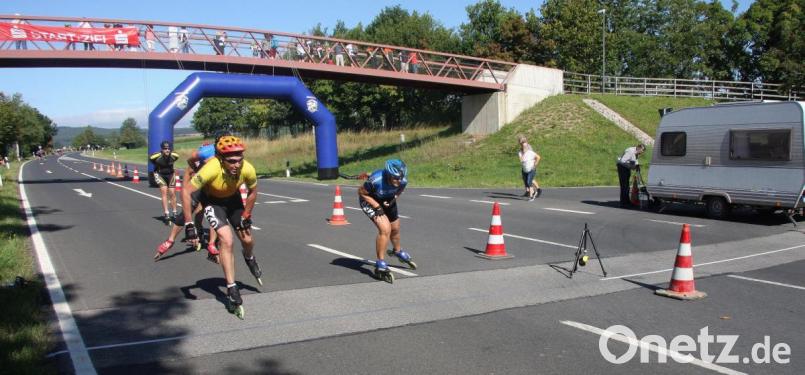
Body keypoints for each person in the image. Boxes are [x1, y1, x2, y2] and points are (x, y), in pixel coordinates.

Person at [182, 135, 260, 318]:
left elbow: (253, 191)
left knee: (247, 239)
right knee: (227, 239)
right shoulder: (210, 169)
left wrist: (247, 215)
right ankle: (231, 286)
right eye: (231, 161)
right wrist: (189, 224)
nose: (236, 165)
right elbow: (186, 191)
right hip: (212, 202)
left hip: (233, 201)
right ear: (220, 158)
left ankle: (249, 257)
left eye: (239, 160)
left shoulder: (247, 168)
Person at [154, 143, 220, 263]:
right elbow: (187, 178)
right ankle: (171, 240)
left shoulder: (226, 157)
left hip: (214, 189)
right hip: (200, 188)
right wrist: (185, 196)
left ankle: (211, 243)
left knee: (214, 214)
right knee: (188, 212)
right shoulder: (200, 158)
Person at [358, 159, 416, 283]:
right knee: (385, 229)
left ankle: (397, 251)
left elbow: (399, 190)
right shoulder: (376, 180)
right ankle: (380, 263)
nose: (398, 181)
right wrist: (377, 207)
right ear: (388, 175)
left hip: (387, 200)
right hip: (370, 201)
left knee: (395, 228)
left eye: (400, 177)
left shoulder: (402, 181)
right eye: (395, 178)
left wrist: (393, 199)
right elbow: (361, 193)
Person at [150, 141, 180, 223]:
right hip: (160, 174)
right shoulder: (156, 156)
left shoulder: (174, 155)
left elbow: (177, 157)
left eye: (168, 148)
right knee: (164, 192)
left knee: (172, 193)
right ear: (162, 149)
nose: (167, 150)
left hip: (170, 174)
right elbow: (151, 159)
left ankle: (175, 212)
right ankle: (166, 213)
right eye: (165, 149)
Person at [617, 144, 646, 208]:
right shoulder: (630, 151)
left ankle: (627, 201)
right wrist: (631, 167)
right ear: (639, 148)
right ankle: (623, 203)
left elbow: (635, 160)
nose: (642, 152)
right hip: (622, 167)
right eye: (642, 150)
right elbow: (622, 161)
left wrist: (637, 166)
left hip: (626, 167)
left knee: (627, 186)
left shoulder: (636, 152)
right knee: (624, 186)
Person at [517, 135, 541, 201]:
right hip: (525, 168)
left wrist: (534, 165)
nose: (522, 143)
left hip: (531, 168)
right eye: (520, 142)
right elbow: (521, 160)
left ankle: (533, 193)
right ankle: (530, 192)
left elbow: (537, 157)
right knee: (527, 181)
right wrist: (523, 153)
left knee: (529, 181)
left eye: (522, 142)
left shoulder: (529, 149)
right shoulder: (520, 152)